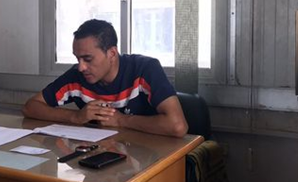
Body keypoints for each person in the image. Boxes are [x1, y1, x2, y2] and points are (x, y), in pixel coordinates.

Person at [22, 19, 188, 138]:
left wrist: (121, 120)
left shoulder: (145, 69)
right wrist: (76, 117)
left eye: (88, 59)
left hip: (149, 158)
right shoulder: (76, 76)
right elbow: (30, 107)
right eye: (77, 58)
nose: (81, 67)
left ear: (112, 53)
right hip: (99, 157)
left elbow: (177, 126)